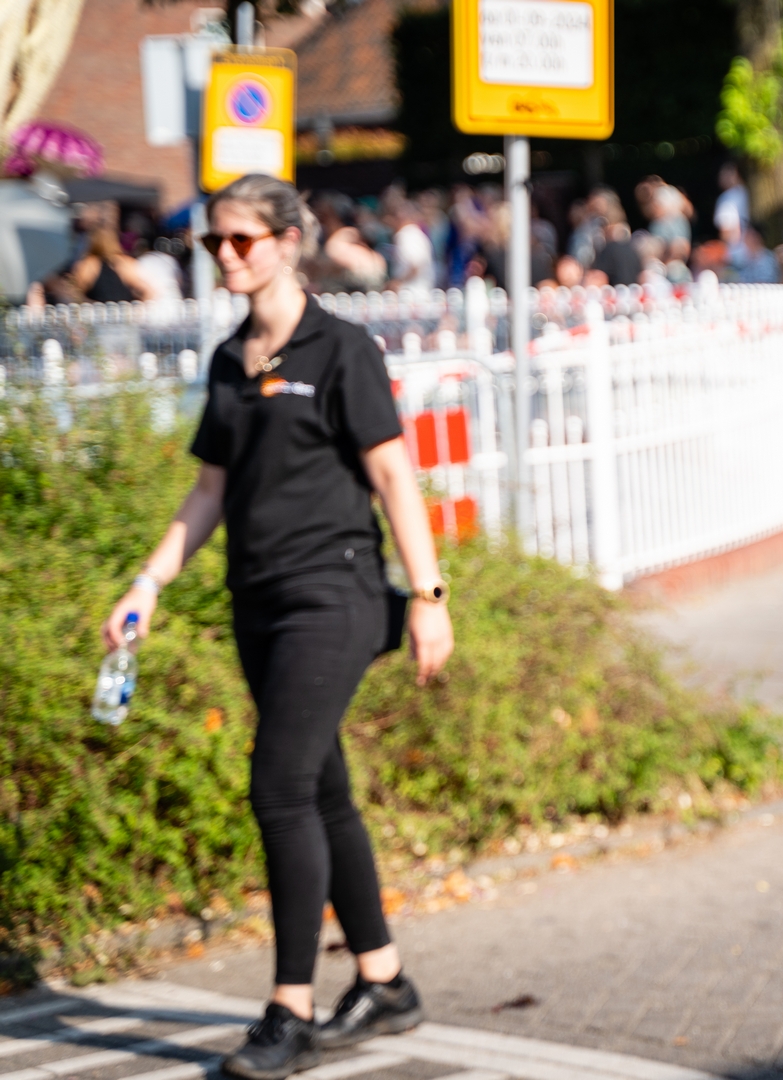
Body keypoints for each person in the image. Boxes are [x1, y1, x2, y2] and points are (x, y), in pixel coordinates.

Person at [101, 174, 453, 1079]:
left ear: (289, 242)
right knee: (322, 790)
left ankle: (289, 1009)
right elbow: (209, 492)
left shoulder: (340, 349)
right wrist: (146, 583)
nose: (225, 254)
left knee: (280, 786)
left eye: (242, 239)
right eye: (214, 241)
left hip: (333, 595)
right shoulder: (230, 358)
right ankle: (385, 981)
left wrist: (428, 596)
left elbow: (393, 477)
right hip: (255, 600)